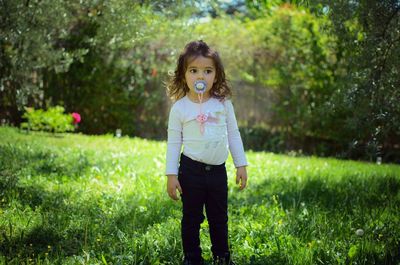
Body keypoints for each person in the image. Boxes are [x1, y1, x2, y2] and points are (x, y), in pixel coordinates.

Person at [165, 40, 248, 265]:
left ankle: (222, 256)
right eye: (193, 71)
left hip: (218, 172)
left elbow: (233, 134)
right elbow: (173, 143)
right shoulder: (180, 108)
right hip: (191, 170)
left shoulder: (223, 104)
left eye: (207, 71)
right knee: (191, 218)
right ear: (183, 76)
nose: (200, 77)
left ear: (216, 75)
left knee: (218, 218)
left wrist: (241, 164)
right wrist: (171, 175)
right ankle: (192, 258)